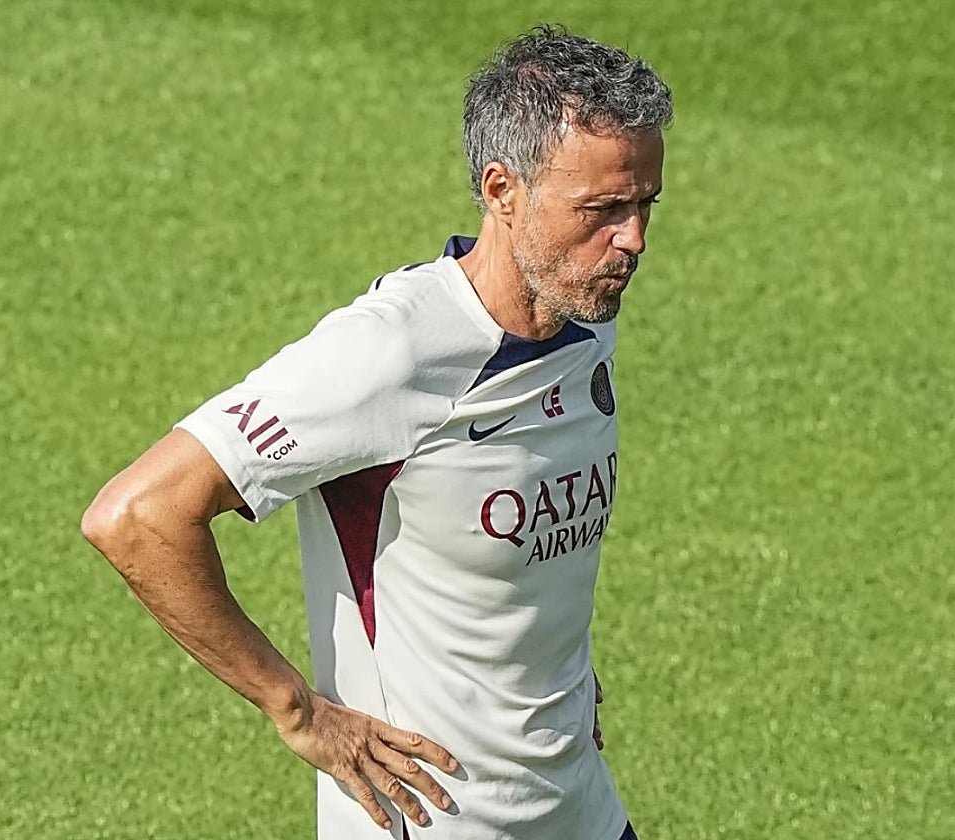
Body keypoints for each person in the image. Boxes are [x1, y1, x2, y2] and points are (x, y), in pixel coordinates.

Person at [82, 23, 672, 840]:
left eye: (644, 204)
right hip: (432, 822)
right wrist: (296, 709)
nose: (633, 240)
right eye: (601, 210)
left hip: (581, 810)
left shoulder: (581, 315)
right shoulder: (392, 353)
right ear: (502, 190)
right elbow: (138, 516)